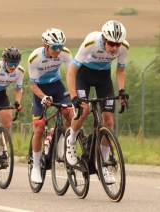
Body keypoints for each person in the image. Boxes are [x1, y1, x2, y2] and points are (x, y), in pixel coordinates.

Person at [66, 20, 129, 184]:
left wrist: (122, 90)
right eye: (111, 43)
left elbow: (120, 70)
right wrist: (74, 97)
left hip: (103, 78)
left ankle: (103, 165)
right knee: (83, 111)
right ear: (103, 38)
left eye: (118, 43)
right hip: (83, 76)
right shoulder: (91, 42)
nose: (115, 47)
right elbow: (71, 72)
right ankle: (71, 142)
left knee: (108, 120)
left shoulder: (124, 47)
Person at [28, 28, 74, 183]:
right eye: (54, 47)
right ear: (45, 46)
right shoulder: (35, 58)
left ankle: (59, 138)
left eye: (60, 46)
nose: (58, 50)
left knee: (72, 116)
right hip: (39, 90)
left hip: (57, 87)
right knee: (39, 128)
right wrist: (42, 97)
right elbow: (32, 85)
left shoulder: (65, 53)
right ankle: (35, 166)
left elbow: (71, 75)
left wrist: (75, 95)